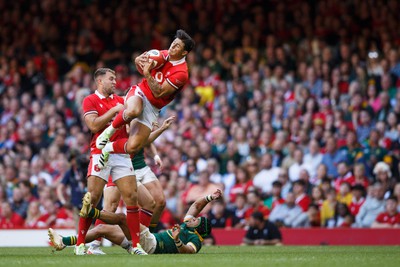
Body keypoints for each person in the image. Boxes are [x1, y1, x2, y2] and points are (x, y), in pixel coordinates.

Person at [95, 29, 195, 168]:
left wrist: (148, 74)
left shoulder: (181, 73)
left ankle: (108, 148)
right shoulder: (163, 54)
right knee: (134, 110)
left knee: (133, 147)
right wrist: (138, 61)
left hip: (153, 107)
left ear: (184, 53)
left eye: (178, 46)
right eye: (173, 43)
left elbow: (159, 93)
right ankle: (108, 132)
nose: (172, 46)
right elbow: (142, 67)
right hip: (140, 92)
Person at [78, 68, 146, 255]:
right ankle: (80, 245)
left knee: (131, 198)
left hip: (120, 154)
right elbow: (93, 125)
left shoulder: (121, 101)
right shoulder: (90, 100)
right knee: (92, 198)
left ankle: (136, 246)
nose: (115, 82)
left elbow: (133, 113)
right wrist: (115, 111)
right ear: (99, 81)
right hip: (99, 152)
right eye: (111, 79)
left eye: (115, 79)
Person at [48, 189, 223, 254]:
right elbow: (196, 205)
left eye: (196, 220)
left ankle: (91, 212)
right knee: (101, 229)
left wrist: (177, 240)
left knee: (124, 219)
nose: (192, 218)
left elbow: (188, 252)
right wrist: (210, 197)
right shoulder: (187, 225)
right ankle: (63, 242)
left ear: (199, 228)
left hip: (151, 245)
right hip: (146, 242)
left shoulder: (195, 240)